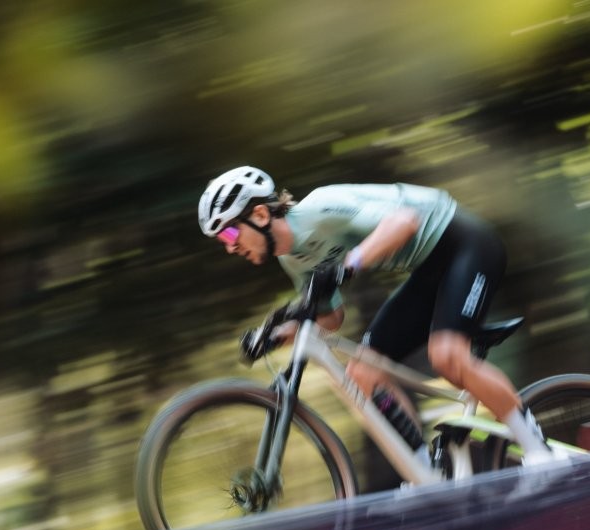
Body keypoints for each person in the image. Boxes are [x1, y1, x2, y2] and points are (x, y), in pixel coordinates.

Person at [197, 165, 564, 471]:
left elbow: (403, 222)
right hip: (429, 271)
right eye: (221, 240)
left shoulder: (319, 209)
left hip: (465, 244)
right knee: (362, 374)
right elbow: (330, 316)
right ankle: (426, 474)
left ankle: (539, 451)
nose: (230, 245)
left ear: (260, 214)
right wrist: (276, 334)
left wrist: (347, 266)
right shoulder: (291, 257)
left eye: (230, 231)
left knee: (448, 356)